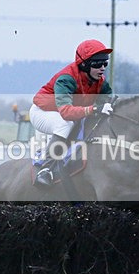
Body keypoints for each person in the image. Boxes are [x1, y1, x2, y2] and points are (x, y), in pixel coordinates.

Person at [29, 39, 114, 187]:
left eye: (105, 63)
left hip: (65, 113)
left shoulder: (101, 82)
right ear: (84, 64)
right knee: (65, 124)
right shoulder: (66, 79)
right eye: (97, 64)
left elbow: (107, 104)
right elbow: (66, 113)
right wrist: (94, 109)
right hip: (42, 112)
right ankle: (45, 169)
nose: (102, 68)